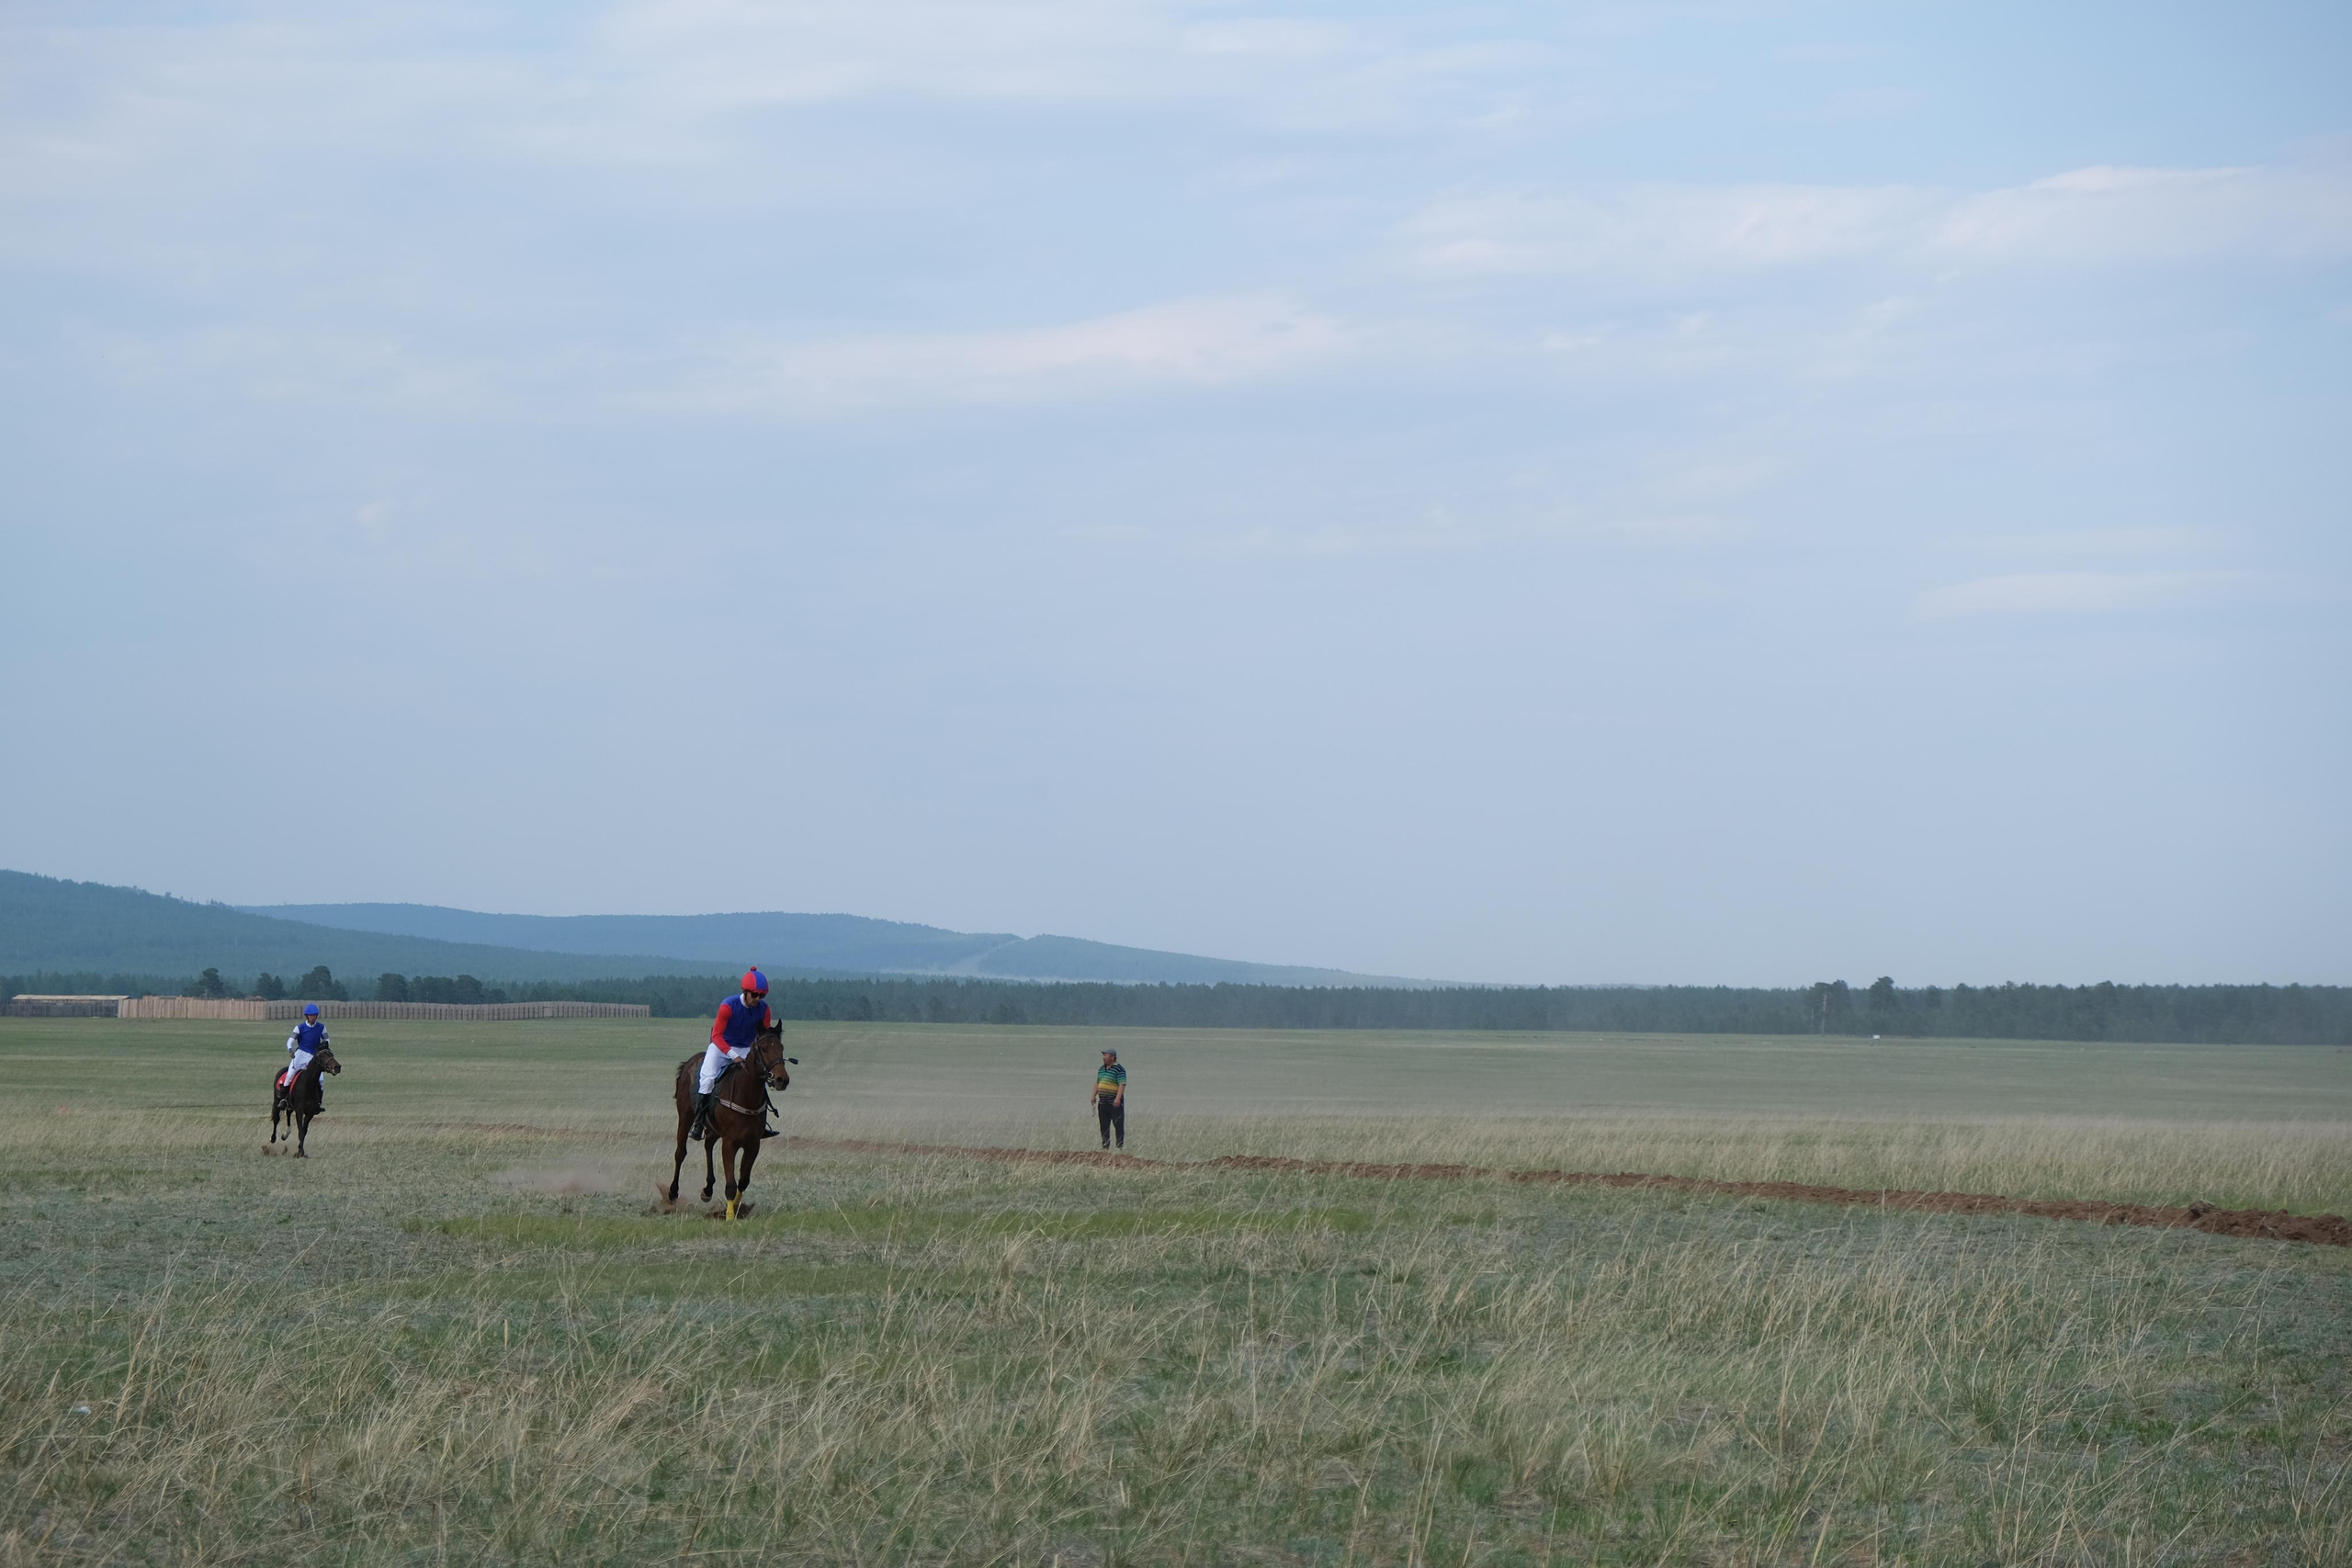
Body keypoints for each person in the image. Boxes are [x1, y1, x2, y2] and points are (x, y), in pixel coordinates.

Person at [690, 970, 773, 1143]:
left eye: (762, 995)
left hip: (747, 1048)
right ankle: (698, 1123)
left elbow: (764, 1035)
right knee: (707, 1079)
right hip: (721, 1047)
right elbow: (717, 1036)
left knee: (759, 1077)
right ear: (745, 992)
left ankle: (761, 1123)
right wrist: (733, 1056)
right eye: (755, 994)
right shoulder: (728, 1006)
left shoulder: (764, 1010)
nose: (758, 999)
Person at [282, 1002, 329, 1112]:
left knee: (321, 1080)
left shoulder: (321, 1027)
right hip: (300, 1054)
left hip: (314, 1056)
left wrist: (324, 1047)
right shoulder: (300, 1027)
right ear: (307, 1016)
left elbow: (326, 1040)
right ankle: (284, 1100)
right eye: (311, 1015)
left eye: (315, 1015)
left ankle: (318, 1103)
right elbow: (290, 1040)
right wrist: (290, 1049)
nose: (313, 1017)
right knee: (289, 1075)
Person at [1091, 1048, 1127, 1150]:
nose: (1103, 1058)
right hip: (1103, 1101)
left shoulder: (1119, 1069)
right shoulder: (1102, 1069)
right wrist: (1093, 1095)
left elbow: (1122, 1084)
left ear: (1112, 1057)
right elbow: (1098, 1082)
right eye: (1103, 1056)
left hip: (1114, 1101)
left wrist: (1118, 1098)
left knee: (1118, 1124)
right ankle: (1105, 1146)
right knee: (1104, 1125)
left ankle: (1119, 1147)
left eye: (1105, 1056)